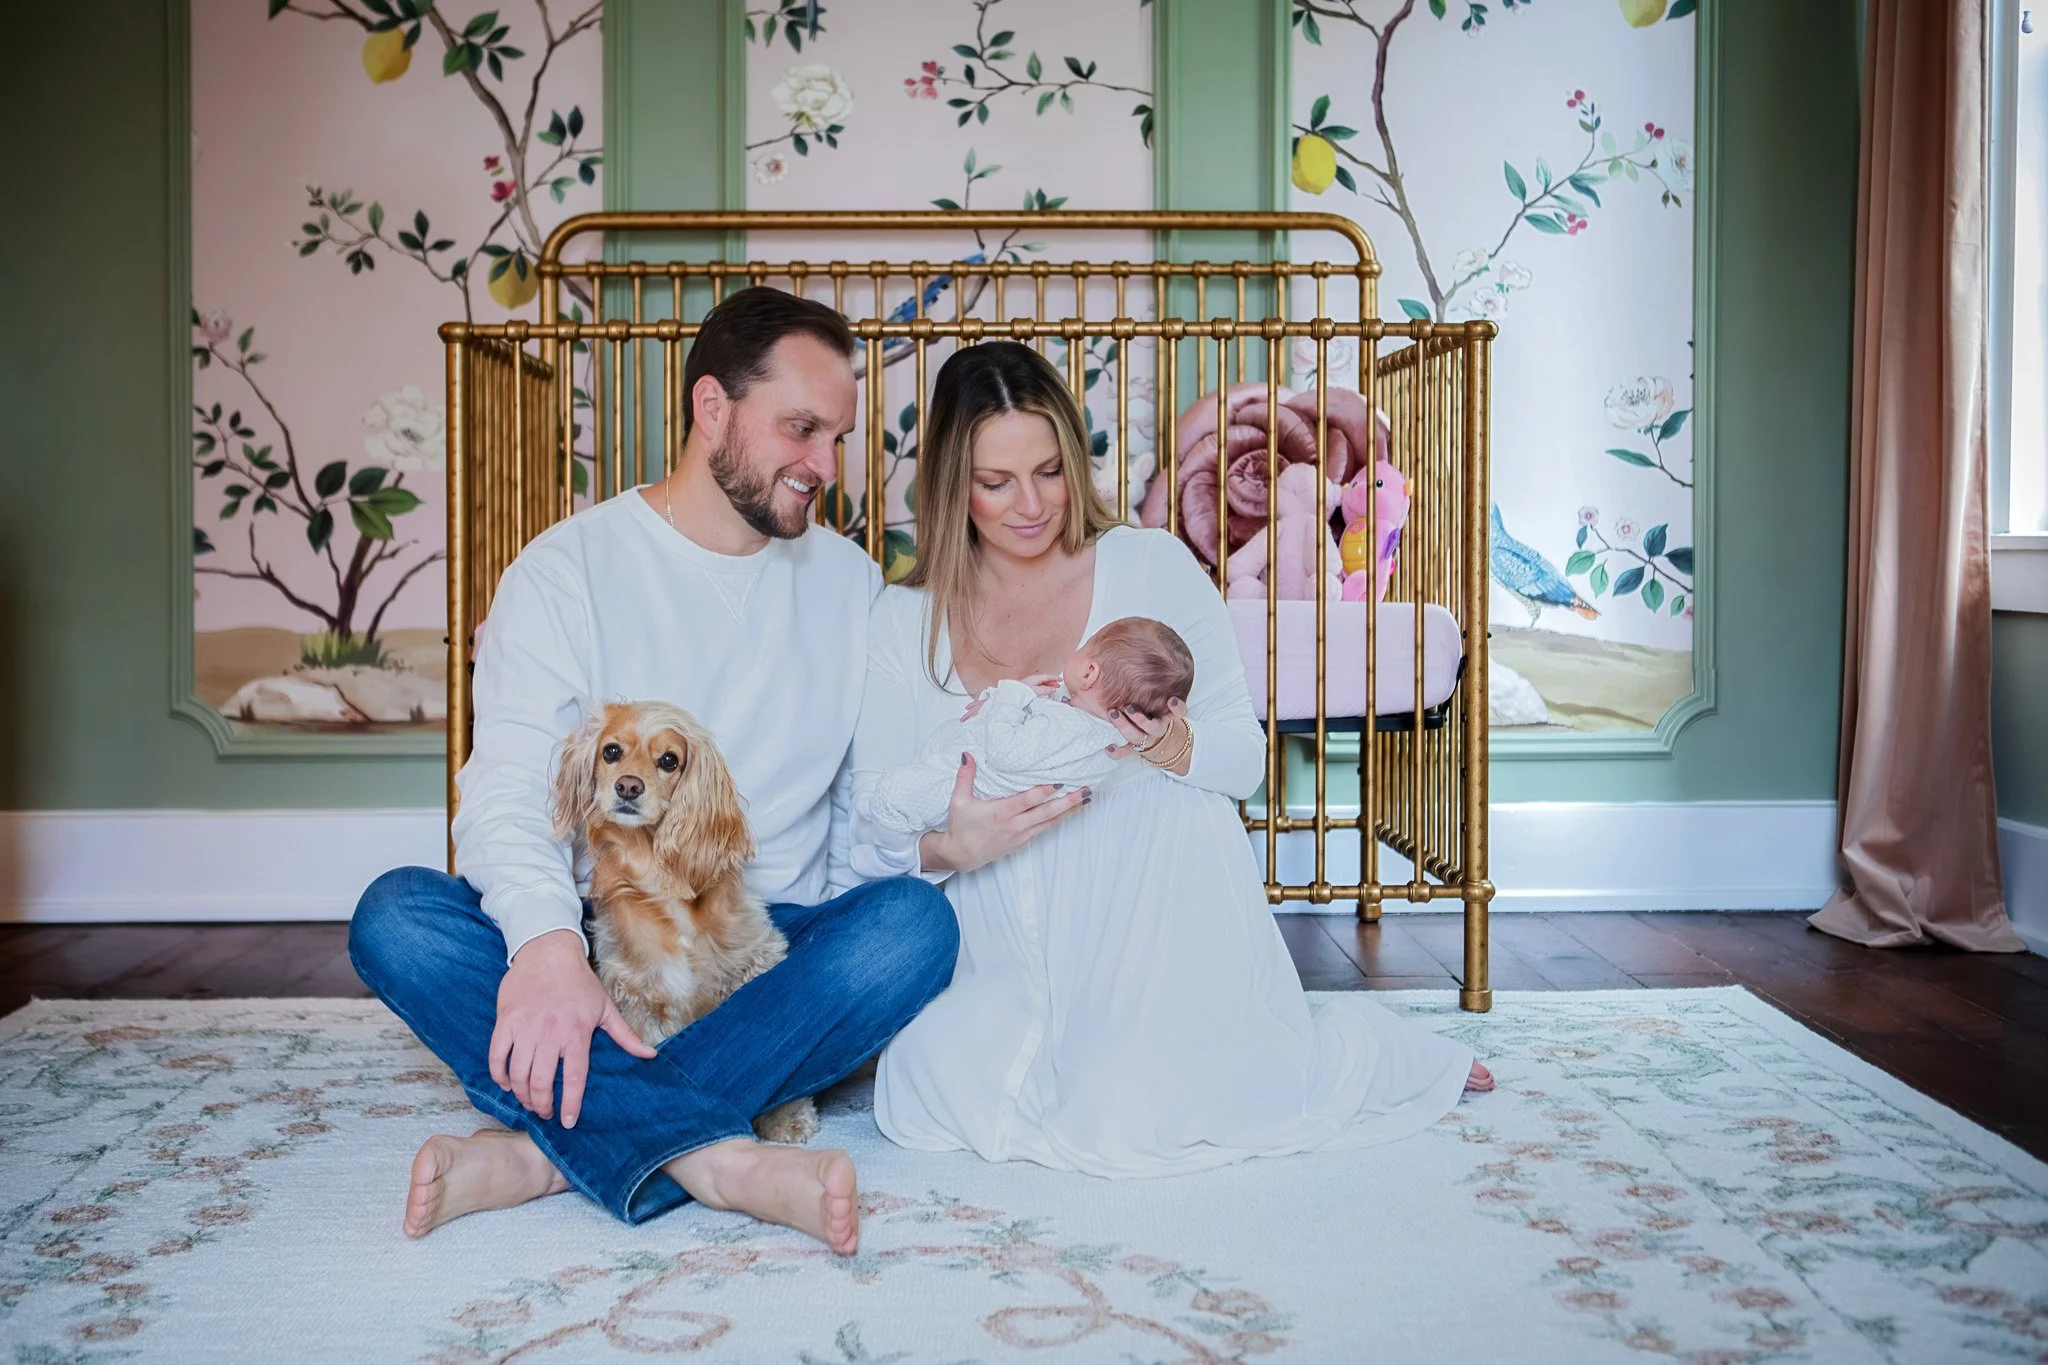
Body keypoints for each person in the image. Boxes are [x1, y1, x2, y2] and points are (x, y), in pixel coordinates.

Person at [348, 288, 1065, 1256]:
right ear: (711, 408)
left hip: (770, 947)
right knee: (399, 917)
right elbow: (505, 798)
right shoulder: (567, 571)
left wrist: (942, 844)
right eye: (800, 429)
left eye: (838, 437)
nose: (823, 467)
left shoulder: (848, 585)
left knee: (913, 926)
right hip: (612, 939)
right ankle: (719, 1160)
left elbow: (863, 816)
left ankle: (542, 1154)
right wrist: (549, 952)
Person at [851, 340, 1493, 1179]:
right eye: (995, 481)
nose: (1031, 505)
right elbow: (869, 826)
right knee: (930, 1095)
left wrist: (1163, 741)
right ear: (948, 482)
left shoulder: (1147, 565)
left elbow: (1245, 759)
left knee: (1140, 1114)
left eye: (1048, 470)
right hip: (995, 930)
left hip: (1144, 917)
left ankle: (1374, 1055)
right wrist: (953, 847)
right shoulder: (906, 619)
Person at [852, 616, 1194, 847]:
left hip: (969, 790)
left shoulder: (1069, 728)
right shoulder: (1104, 736)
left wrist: (1011, 693)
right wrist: (997, 700)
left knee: (894, 794)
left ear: (1089, 672)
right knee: (932, 754)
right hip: (963, 767)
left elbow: (1006, 749)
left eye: (1085, 645)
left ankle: (885, 843)